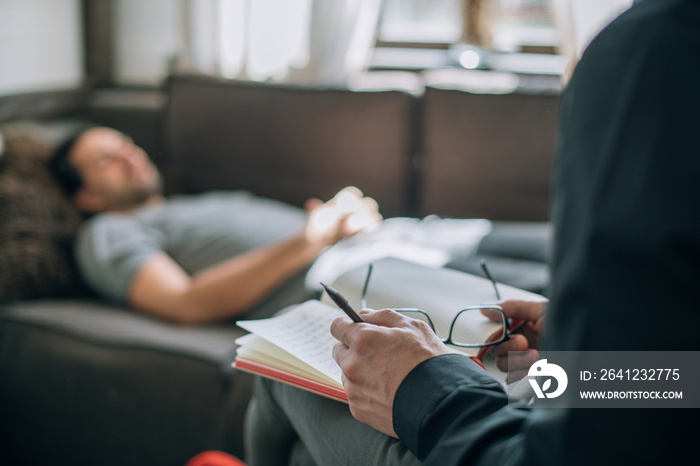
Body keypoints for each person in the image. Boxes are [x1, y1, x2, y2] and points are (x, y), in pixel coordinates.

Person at [245, 0, 699, 464]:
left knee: (280, 372)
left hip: (385, 254)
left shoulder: (655, 53)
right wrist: (584, 366)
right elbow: (678, 391)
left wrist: (428, 390)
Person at [49, 126, 381, 324]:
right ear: (86, 197)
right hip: (340, 276)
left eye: (125, 145)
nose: (128, 156)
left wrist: (345, 219)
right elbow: (184, 303)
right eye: (106, 159)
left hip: (378, 242)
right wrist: (313, 238)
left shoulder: (188, 204)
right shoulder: (107, 231)